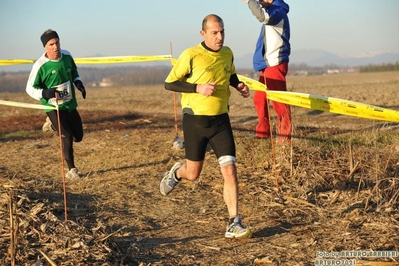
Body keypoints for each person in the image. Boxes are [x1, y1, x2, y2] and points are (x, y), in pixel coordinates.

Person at [159, 14, 252, 239]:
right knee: (193, 173)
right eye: (214, 33)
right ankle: (177, 172)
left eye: (222, 32)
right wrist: (197, 88)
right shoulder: (191, 54)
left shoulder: (227, 53)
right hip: (195, 121)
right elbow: (169, 83)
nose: (219, 37)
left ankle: (233, 222)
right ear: (203, 33)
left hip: (221, 120)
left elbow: (230, 74)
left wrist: (238, 85)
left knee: (229, 170)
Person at [26, 29, 86, 180]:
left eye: (57, 42)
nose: (55, 47)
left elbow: (73, 72)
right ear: (45, 47)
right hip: (52, 106)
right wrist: (45, 93)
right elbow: (29, 88)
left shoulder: (67, 56)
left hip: (69, 103)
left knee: (78, 136)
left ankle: (52, 125)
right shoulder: (40, 65)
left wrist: (78, 82)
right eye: (51, 44)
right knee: (66, 135)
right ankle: (72, 170)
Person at [243, 0, 292, 144]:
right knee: (259, 99)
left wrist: (249, 2)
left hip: (275, 64)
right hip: (267, 66)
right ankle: (263, 132)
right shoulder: (274, 11)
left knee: (279, 102)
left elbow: (263, 17)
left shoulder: (278, 11)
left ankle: (285, 137)